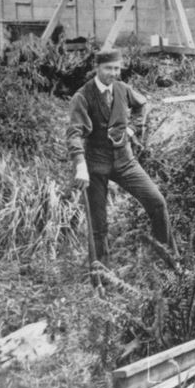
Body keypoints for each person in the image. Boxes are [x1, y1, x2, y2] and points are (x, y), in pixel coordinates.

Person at [67, 49, 172, 264]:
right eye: (108, 68)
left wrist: (133, 129)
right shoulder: (82, 96)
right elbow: (74, 133)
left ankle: (168, 260)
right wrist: (80, 165)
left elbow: (142, 105)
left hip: (125, 161)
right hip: (96, 165)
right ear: (97, 68)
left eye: (116, 68)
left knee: (157, 202)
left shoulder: (123, 89)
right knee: (99, 224)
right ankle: (101, 274)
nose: (113, 73)